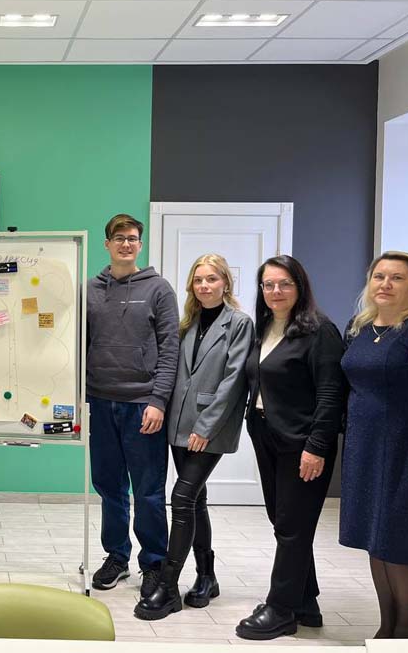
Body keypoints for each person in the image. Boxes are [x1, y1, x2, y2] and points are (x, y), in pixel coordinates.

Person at [135, 254, 253, 620]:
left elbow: (234, 381)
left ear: (225, 283)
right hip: (178, 424)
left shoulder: (239, 323)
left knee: (181, 497)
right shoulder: (187, 323)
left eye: (211, 279)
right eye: (198, 280)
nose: (204, 285)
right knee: (196, 500)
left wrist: (206, 426)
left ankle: (169, 586)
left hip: (209, 428)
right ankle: (207, 577)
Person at [236, 255, 346, 641]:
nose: (276, 291)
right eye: (268, 285)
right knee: (284, 522)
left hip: (303, 444)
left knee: (292, 526)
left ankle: (281, 609)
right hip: (266, 436)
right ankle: (305, 602)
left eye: (284, 284)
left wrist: (317, 447)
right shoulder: (266, 327)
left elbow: (331, 394)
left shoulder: (320, 331)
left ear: (300, 287)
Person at [340, 251, 408, 639]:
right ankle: (386, 628)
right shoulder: (359, 327)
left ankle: (406, 631)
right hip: (364, 450)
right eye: (379, 276)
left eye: (397, 278)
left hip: (406, 452)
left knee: (399, 543)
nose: (385, 284)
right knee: (376, 541)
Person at [86, 214, 180, 597]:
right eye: (119, 238)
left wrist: (158, 401)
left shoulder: (159, 289)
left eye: (132, 238)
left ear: (140, 245)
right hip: (100, 402)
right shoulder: (91, 290)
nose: (126, 244)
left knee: (148, 490)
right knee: (109, 486)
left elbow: (171, 349)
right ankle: (117, 556)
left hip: (143, 405)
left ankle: (154, 563)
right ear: (107, 244)